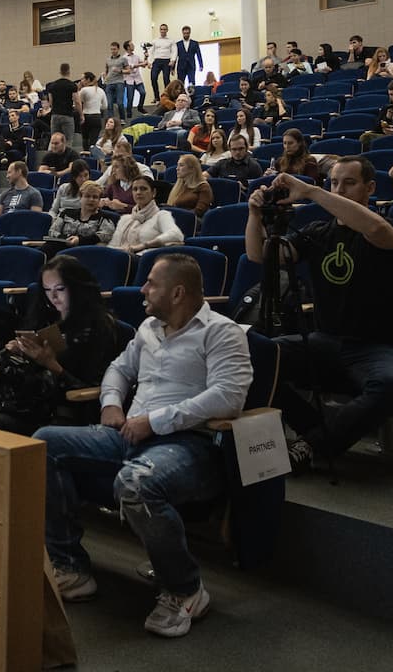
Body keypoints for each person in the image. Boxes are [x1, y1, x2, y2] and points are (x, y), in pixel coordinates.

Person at [38, 253, 251, 637]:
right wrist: (111, 403)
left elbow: (228, 396)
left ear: (178, 291)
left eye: (151, 282)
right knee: (43, 444)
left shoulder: (222, 332)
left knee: (136, 483)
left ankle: (186, 588)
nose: (142, 288)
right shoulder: (148, 329)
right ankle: (70, 565)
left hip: (190, 446)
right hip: (127, 434)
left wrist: (154, 422)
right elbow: (119, 369)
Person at [246, 158, 393, 469]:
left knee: (392, 385)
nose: (340, 189)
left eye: (349, 183)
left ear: (370, 188)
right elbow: (261, 255)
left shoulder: (388, 229)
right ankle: (314, 431)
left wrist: (310, 191)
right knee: (249, 359)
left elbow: (375, 228)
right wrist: (254, 216)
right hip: (325, 341)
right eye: (334, 183)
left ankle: (313, 445)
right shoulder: (316, 232)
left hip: (377, 346)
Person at [0, 256, 119, 433]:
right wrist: (18, 351)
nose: (53, 297)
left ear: (78, 288)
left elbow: (92, 388)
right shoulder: (45, 318)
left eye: (60, 289)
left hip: (59, 412)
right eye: (47, 290)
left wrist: (52, 365)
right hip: (23, 403)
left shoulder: (99, 328)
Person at [110, 176, 183, 254]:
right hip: (122, 258)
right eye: (135, 189)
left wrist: (144, 245)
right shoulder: (125, 219)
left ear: (153, 192)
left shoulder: (161, 215)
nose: (138, 192)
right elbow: (112, 246)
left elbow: (176, 235)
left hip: (145, 259)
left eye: (143, 189)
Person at [44, 63, 80, 145]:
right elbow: (77, 101)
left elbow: (51, 102)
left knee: (54, 141)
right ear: (69, 72)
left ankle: (53, 157)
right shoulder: (72, 85)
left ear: (60, 72)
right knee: (68, 141)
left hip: (55, 115)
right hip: (67, 115)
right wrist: (81, 115)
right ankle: (66, 158)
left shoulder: (52, 86)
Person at [147, 24, 176, 97]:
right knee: (153, 78)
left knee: (166, 79)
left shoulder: (171, 41)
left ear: (167, 30)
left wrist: (173, 60)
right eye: (161, 29)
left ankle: (167, 96)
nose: (163, 31)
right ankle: (156, 97)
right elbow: (150, 51)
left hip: (166, 61)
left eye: (164, 29)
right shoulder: (155, 41)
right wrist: (150, 61)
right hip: (157, 61)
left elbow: (174, 51)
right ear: (160, 30)